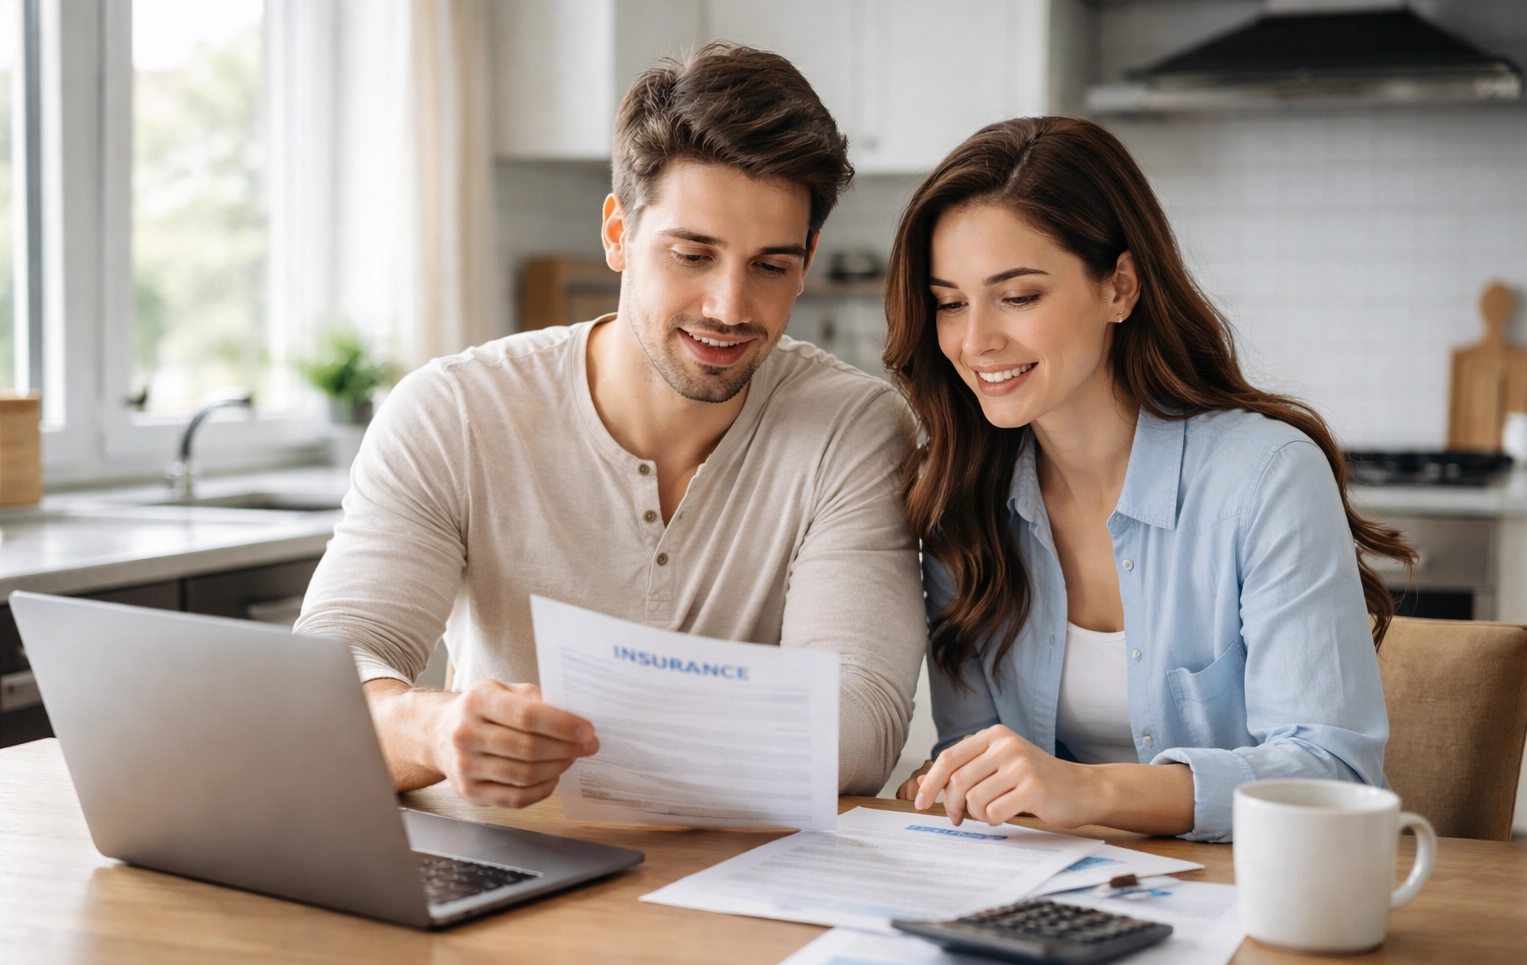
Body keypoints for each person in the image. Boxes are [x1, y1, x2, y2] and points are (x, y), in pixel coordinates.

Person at [295, 43, 926, 808]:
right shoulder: (451, 411)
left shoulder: (853, 428)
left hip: (743, 887)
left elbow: (857, 732)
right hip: (516, 864)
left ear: (809, 257)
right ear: (618, 233)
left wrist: (577, 730)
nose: (730, 307)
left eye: (770, 266)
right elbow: (326, 684)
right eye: (692, 254)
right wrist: (430, 729)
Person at [887, 117, 1413, 842]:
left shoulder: (1265, 478)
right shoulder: (961, 501)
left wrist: (1090, 790)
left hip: (1246, 902)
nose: (975, 340)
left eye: (1018, 296)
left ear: (1121, 288)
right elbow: (976, 757)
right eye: (950, 301)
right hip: (1056, 900)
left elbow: (1335, 773)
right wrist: (957, 783)